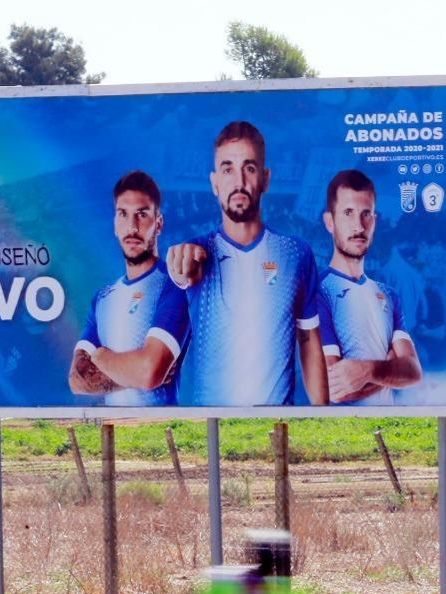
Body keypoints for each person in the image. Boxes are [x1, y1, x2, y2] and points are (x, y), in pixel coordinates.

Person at [165, 121, 328, 407]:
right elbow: (180, 268)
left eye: (249, 168)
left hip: (279, 427)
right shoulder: (194, 251)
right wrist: (178, 269)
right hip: (209, 429)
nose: (238, 182)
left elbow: (309, 340)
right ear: (214, 183)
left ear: (265, 179)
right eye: (228, 169)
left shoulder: (296, 254)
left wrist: (321, 416)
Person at [68, 171, 189, 405]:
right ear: (115, 224)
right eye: (123, 214)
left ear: (159, 223)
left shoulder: (173, 285)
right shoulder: (102, 299)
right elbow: (77, 379)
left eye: (142, 215)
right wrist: (133, 373)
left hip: (163, 431)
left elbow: (149, 372)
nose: (132, 227)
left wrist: (101, 357)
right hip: (111, 432)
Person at [316, 169, 422, 405]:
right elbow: (335, 390)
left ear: (375, 221)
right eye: (348, 213)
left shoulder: (388, 294)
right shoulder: (319, 292)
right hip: (338, 432)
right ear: (329, 222)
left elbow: (413, 371)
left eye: (366, 214)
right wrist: (390, 368)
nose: (358, 225)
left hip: (391, 425)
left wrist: (366, 371)